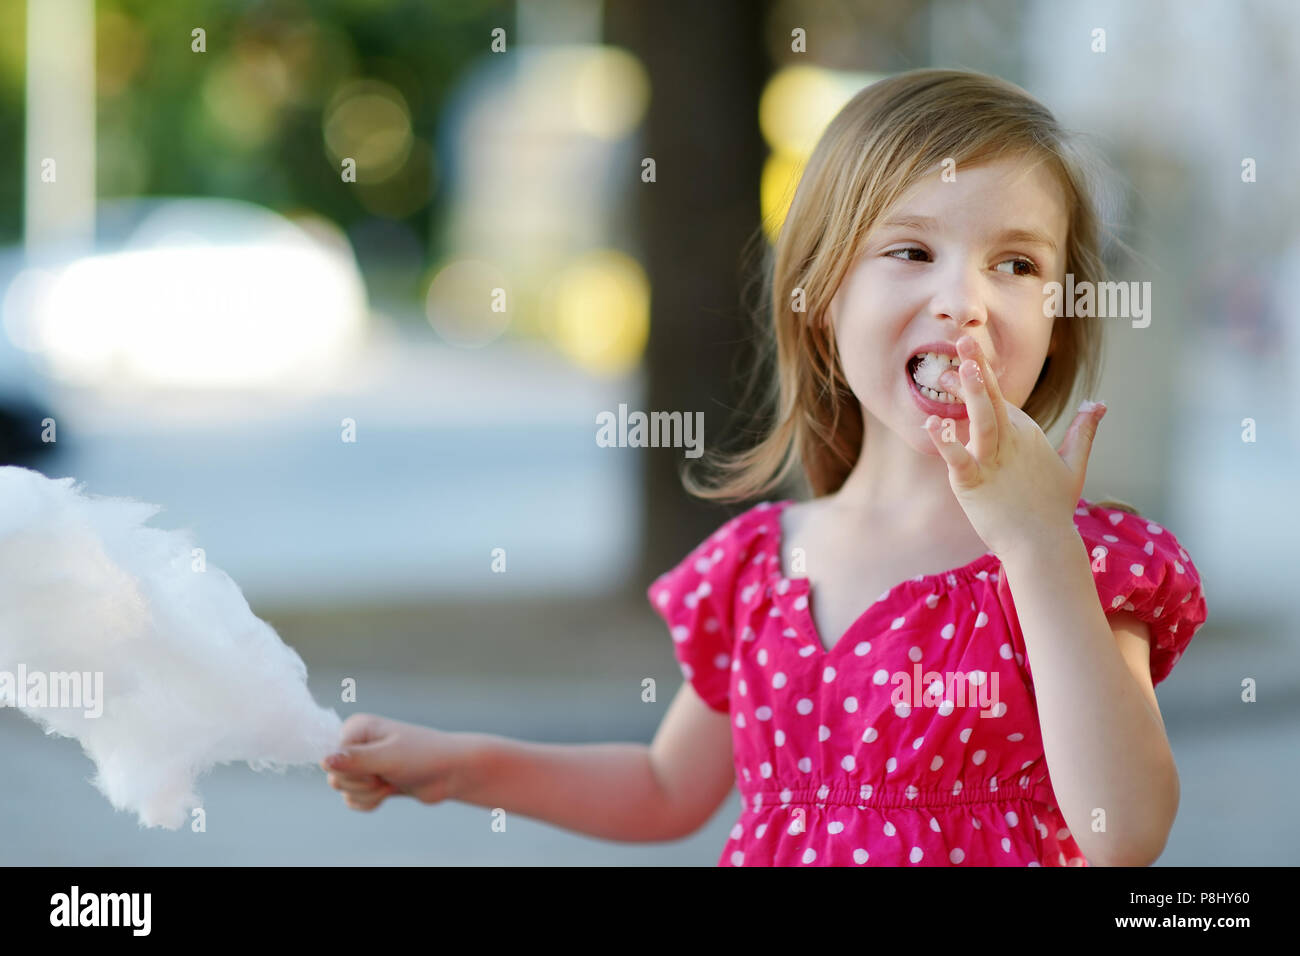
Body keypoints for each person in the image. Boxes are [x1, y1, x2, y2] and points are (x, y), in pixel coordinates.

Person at [321, 68, 1208, 866]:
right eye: (910, 252)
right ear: (821, 295)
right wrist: (457, 765)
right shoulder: (756, 568)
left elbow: (1125, 832)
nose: (962, 303)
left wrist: (1038, 541)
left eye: (1015, 264)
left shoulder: (1082, 565)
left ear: (1058, 321)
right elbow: (666, 791)